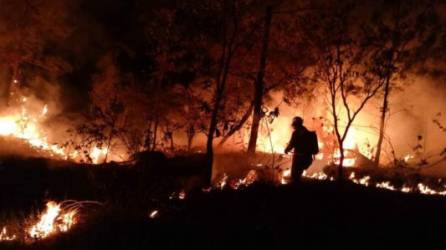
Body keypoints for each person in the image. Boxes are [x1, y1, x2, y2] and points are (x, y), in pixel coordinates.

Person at [284, 116, 314, 184]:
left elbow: (292, 143)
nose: (293, 126)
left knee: (295, 175)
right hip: (307, 157)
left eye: (294, 124)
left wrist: (286, 150)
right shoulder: (307, 132)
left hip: (298, 157)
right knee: (299, 174)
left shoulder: (296, 133)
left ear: (296, 124)